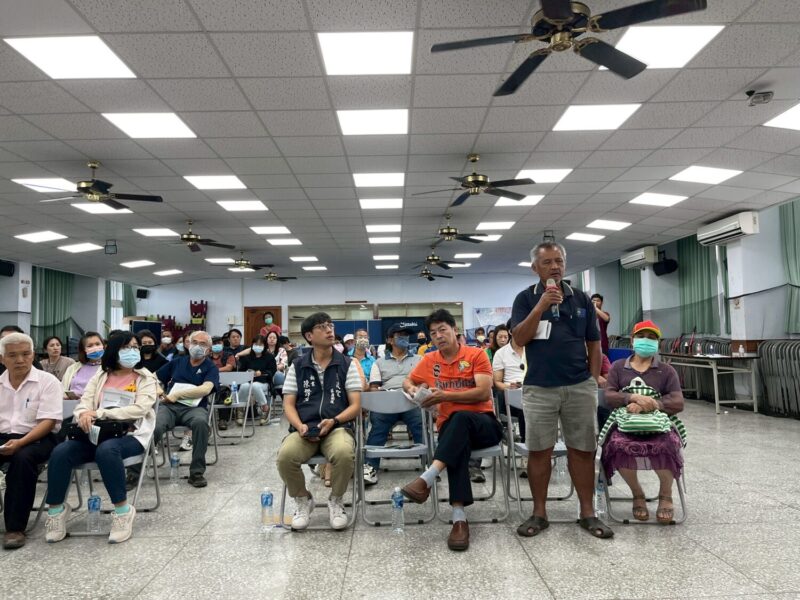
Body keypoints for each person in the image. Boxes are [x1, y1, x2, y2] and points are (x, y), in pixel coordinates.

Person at [510, 241, 611, 539]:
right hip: (539, 387)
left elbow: (594, 343)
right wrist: (541, 306)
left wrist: (591, 380)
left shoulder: (581, 299)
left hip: (579, 386)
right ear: (535, 268)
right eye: (547, 262)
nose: (555, 266)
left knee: (583, 449)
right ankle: (539, 513)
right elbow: (519, 339)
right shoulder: (525, 299)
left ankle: (588, 513)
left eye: (559, 261)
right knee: (539, 451)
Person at [400, 309, 502, 551]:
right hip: (452, 431)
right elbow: (408, 381)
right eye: (433, 333)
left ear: (455, 330)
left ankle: (428, 477)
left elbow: (483, 392)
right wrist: (413, 390)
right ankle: (458, 519)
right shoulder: (430, 360)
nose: (438, 336)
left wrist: (446, 396)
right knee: (456, 437)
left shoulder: (476, 354)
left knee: (460, 418)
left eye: (442, 330)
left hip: (484, 424)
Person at [44, 332, 158, 544]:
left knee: (107, 451)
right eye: (127, 347)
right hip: (96, 433)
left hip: (130, 434)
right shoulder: (100, 376)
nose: (133, 351)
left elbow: (140, 409)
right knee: (61, 452)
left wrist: (100, 413)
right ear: (114, 351)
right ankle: (56, 511)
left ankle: (122, 512)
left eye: (135, 347)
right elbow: (83, 405)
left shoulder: (145, 377)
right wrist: (83, 415)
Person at [276, 313, 361, 530]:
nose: (329, 330)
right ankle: (303, 499)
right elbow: (288, 405)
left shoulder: (347, 364)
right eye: (322, 327)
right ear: (309, 336)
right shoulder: (297, 365)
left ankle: (336, 500)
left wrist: (334, 420)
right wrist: (299, 426)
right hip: (305, 428)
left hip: (337, 427)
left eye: (330, 325)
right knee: (285, 456)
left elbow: (355, 406)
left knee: (343, 453)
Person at [602, 320, 685, 524]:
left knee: (668, 445)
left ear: (657, 343)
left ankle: (665, 494)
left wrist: (652, 404)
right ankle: (637, 493)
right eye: (641, 336)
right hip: (626, 424)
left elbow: (678, 402)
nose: (646, 341)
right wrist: (631, 398)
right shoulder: (618, 367)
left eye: (651, 338)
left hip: (657, 425)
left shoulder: (666, 371)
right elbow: (609, 395)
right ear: (632, 340)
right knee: (616, 446)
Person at [129, 331, 218, 488]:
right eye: (195, 342)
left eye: (203, 344)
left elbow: (205, 389)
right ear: (188, 344)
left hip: (194, 408)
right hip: (169, 407)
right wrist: (158, 389)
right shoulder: (177, 362)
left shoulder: (210, 367)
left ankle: (196, 472)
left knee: (201, 424)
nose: (197, 346)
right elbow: (153, 377)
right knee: (154, 426)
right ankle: (133, 473)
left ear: (209, 350)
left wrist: (177, 395)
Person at [0, 332, 62, 549]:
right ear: (2, 359)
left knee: (22, 459)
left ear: (33, 355)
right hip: (3, 435)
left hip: (39, 437)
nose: (20, 360)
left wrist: (20, 443)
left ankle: (15, 528)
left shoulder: (47, 382)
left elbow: (48, 421)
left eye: (25, 354)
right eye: (13, 355)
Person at [363, 324, 424, 486]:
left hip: (411, 402)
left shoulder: (419, 360)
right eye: (400, 335)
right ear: (390, 340)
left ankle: (429, 465)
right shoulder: (379, 363)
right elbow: (374, 387)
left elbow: (425, 382)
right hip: (387, 403)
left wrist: (417, 391)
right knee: (378, 426)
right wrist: (382, 398)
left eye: (406, 335)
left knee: (420, 423)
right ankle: (370, 467)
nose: (405, 338)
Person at [492, 327, 527, 451]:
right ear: (512, 332)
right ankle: (527, 446)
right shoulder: (501, 353)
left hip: (531, 392)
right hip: (511, 398)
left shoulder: (533, 350)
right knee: (526, 406)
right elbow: (497, 383)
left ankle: (542, 447)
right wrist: (509, 386)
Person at [237, 335, 277, 426]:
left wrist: (261, 372)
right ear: (252, 345)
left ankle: (265, 408)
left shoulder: (269, 357)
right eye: (256, 344)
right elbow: (241, 371)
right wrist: (247, 372)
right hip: (248, 381)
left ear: (264, 346)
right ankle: (240, 409)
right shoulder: (247, 357)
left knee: (255, 386)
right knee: (244, 386)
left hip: (264, 382)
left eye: (260, 345)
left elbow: (272, 371)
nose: (258, 347)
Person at [62, 331, 105, 400]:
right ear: (84, 349)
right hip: (71, 404)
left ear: (103, 345)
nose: (95, 348)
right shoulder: (73, 368)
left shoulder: (109, 368)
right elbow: (63, 389)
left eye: (97, 344)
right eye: (90, 346)